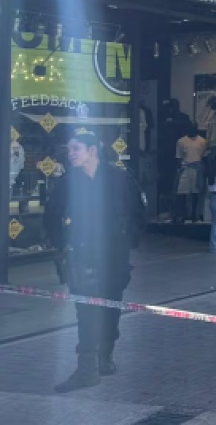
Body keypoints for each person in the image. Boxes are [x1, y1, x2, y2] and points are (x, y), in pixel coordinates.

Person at [44, 132, 147, 393]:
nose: (70, 154)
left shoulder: (119, 177)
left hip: (114, 254)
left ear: (92, 150)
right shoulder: (68, 182)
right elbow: (51, 215)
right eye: (69, 149)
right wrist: (62, 245)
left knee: (111, 305)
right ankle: (86, 368)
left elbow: (138, 211)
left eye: (76, 149)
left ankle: (105, 356)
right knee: (86, 308)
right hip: (82, 253)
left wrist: (127, 241)